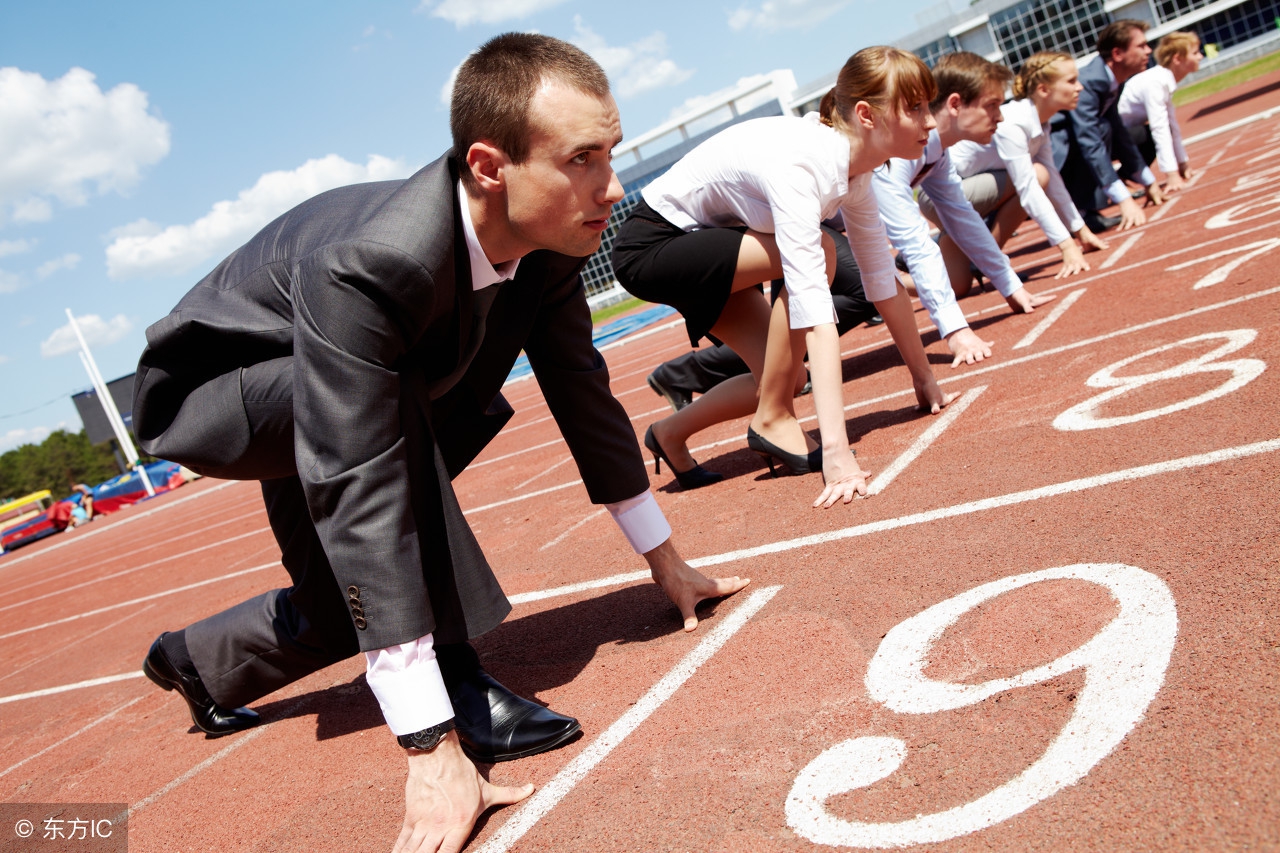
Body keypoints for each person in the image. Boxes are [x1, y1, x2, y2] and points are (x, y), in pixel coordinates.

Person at [131, 33, 747, 853]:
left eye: (611, 152)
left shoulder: (548, 242)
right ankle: (455, 683)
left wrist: (666, 560)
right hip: (219, 389)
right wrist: (427, 743)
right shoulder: (371, 264)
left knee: (343, 605)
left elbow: (580, 385)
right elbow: (359, 479)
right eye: (581, 159)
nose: (611, 185)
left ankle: (195, 661)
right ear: (489, 166)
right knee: (384, 444)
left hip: (350, 383)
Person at [612, 46, 952, 507]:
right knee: (823, 252)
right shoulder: (803, 165)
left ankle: (669, 433)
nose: (930, 121)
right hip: (653, 246)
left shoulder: (856, 175)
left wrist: (924, 377)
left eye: (929, 106)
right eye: (915, 108)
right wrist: (837, 454)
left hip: (714, 243)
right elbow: (814, 311)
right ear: (866, 115)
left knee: (785, 378)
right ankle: (772, 420)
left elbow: (880, 277)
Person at [874, 51, 1055, 366]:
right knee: (859, 286)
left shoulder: (936, 151)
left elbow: (963, 216)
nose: (1000, 117)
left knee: (941, 281)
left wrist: (1011, 286)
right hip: (813, 235)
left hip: (836, 237)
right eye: (992, 105)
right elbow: (915, 243)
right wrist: (956, 331)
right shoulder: (899, 152)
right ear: (955, 104)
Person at [645, 220, 880, 413]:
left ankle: (680, 382)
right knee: (867, 291)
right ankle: (685, 375)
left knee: (785, 347)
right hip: (784, 222)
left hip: (789, 223)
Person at [950, 51, 1110, 279]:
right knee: (1037, 175)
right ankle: (986, 256)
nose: (1080, 87)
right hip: (948, 194)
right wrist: (1066, 246)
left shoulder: (1041, 124)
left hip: (976, 193)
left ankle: (963, 251)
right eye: (1071, 81)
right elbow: (1028, 187)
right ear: (1043, 90)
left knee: (958, 284)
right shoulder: (1013, 123)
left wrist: (1081, 231)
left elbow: (1055, 182)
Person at [1049, 19, 1166, 233]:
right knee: (1100, 130)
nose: (1148, 50)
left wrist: (1148, 181)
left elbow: (1119, 131)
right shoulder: (1089, 83)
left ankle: (1106, 190)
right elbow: (1089, 140)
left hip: (1074, 149)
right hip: (1053, 158)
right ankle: (1081, 212)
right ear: (1117, 54)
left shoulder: (1112, 80)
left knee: (1124, 131)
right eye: (1141, 46)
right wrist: (1124, 199)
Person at [1118, 31, 1202, 193]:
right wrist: (1172, 175)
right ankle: (1121, 179)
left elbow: (1172, 125)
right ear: (1177, 59)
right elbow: (1160, 127)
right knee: (1153, 134)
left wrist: (1183, 164)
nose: (1200, 56)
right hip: (1109, 140)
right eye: (1195, 53)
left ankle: (1124, 176)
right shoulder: (1155, 82)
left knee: (1161, 130)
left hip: (1122, 136)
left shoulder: (1163, 80)